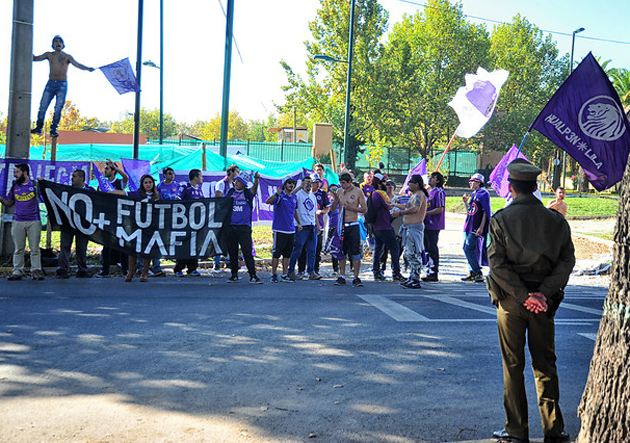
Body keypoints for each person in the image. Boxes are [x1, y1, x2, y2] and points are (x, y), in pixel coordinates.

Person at [487, 160, 574, 443]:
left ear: (511, 188)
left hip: (511, 303)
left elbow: (496, 265)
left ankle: (515, 430)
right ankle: (553, 430)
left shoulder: (501, 219)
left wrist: (524, 296)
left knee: (513, 365)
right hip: (544, 303)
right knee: (545, 365)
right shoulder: (555, 220)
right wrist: (543, 294)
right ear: (536, 187)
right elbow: (566, 260)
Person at [31, 36, 95, 137]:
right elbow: (35, 58)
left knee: (58, 107)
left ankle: (53, 130)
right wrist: (28, 53)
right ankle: (39, 128)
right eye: (56, 42)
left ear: (63, 45)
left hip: (62, 84)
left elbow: (77, 65)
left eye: (60, 42)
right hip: (51, 83)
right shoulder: (49, 55)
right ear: (53, 45)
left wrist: (88, 68)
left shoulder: (67, 57)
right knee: (43, 106)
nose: (58, 43)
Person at [109, 175, 160, 282]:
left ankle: (144, 272)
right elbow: (123, 193)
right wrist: (109, 193)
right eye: (146, 182)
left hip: (151, 227)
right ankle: (130, 272)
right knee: (133, 250)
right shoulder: (137, 194)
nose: (148, 184)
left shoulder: (157, 196)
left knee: (148, 249)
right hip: (137, 226)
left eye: (150, 182)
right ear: (142, 184)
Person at [0, 163, 44, 281]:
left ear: (24, 172)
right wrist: (2, 201)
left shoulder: (35, 185)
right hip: (18, 221)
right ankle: (17, 271)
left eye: (17, 172)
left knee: (34, 248)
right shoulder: (15, 186)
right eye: (15, 172)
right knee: (18, 248)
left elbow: (46, 196)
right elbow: (10, 202)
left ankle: (36, 270)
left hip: (33, 221)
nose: (15, 175)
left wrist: (44, 183)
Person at [390, 175, 428, 289]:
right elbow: (406, 206)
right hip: (409, 228)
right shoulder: (414, 196)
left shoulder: (419, 195)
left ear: (416, 184)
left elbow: (415, 209)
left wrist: (400, 214)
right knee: (408, 254)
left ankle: (415, 279)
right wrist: (394, 205)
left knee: (413, 254)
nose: (408, 184)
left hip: (415, 228)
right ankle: (412, 277)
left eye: (410, 182)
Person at [56, 169, 94, 279]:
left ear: (82, 178)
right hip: (68, 222)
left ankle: (82, 270)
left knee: (81, 247)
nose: (72, 178)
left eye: (75, 176)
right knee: (65, 246)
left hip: (83, 224)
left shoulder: (90, 190)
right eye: (72, 176)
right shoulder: (67, 190)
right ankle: (63, 269)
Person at [225, 171, 263, 284]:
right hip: (231, 227)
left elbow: (254, 190)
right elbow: (223, 204)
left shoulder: (247, 193)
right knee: (233, 252)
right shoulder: (230, 192)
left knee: (247, 252)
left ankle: (253, 275)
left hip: (244, 227)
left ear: (244, 183)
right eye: (236, 180)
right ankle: (234, 275)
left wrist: (256, 180)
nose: (236, 183)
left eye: (239, 181)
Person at [330, 172, 367, 287]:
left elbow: (365, 209)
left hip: (353, 224)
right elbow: (332, 209)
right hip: (342, 225)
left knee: (355, 252)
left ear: (350, 182)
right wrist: (336, 200)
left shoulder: (358, 191)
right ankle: (342, 276)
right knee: (341, 251)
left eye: (344, 183)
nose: (342, 185)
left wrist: (352, 208)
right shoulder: (340, 191)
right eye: (341, 183)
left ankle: (356, 276)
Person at [96, 159, 129, 278]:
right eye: (105, 168)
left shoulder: (119, 182)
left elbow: (126, 178)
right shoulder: (102, 184)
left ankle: (126, 269)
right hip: (106, 216)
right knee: (107, 245)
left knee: (122, 243)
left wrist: (117, 168)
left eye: (108, 168)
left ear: (114, 171)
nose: (105, 170)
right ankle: (105, 269)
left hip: (119, 216)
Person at [370, 174, 404, 282]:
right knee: (394, 249)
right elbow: (389, 205)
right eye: (385, 182)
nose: (387, 184)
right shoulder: (381, 193)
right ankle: (396, 273)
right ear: (380, 184)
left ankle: (376, 272)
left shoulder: (374, 193)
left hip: (377, 225)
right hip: (385, 225)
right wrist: (398, 204)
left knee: (378, 249)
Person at [287, 176, 321, 281]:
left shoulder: (313, 196)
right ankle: (291, 270)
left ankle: (311, 271)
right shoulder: (298, 195)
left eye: (310, 183)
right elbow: (290, 195)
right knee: (298, 249)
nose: (308, 185)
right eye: (306, 183)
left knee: (312, 251)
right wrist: (299, 187)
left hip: (312, 226)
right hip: (302, 226)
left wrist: (317, 225)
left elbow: (314, 212)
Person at [173, 169, 205, 277]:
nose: (202, 178)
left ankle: (192, 268)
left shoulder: (199, 189)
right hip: (185, 222)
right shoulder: (184, 187)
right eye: (200, 176)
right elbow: (177, 200)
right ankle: (179, 268)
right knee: (184, 245)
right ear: (195, 177)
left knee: (195, 244)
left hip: (196, 222)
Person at [266, 178, 298, 283]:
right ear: (285, 184)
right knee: (276, 253)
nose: (291, 185)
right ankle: (274, 274)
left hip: (291, 230)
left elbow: (294, 211)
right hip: (279, 229)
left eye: (293, 183)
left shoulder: (294, 197)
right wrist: (276, 194)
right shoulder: (280, 196)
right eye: (289, 183)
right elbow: (268, 201)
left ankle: (284, 275)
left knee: (287, 254)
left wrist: (299, 223)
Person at [462, 173, 491, 283]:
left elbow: (485, 211)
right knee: (466, 248)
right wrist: (465, 203)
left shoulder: (483, 193)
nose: (470, 183)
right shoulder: (474, 193)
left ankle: (477, 272)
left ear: (479, 182)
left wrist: (481, 227)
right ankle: (473, 272)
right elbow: (471, 210)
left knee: (468, 247)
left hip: (476, 226)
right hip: (470, 225)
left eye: (473, 181)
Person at [298, 174, 329, 276]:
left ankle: (314, 270)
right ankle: (301, 270)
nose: (317, 184)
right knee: (302, 248)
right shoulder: (302, 194)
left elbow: (327, 208)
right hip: (304, 224)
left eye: (318, 182)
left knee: (316, 249)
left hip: (317, 224)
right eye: (314, 182)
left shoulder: (321, 194)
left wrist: (321, 212)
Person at [423, 172, 446, 282]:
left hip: (434, 224)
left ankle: (433, 271)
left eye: (433, 178)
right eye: (430, 177)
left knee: (432, 248)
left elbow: (440, 208)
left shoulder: (439, 192)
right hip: (426, 224)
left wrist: (426, 213)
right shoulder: (429, 191)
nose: (430, 179)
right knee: (426, 248)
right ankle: (428, 269)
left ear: (437, 180)